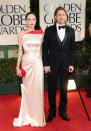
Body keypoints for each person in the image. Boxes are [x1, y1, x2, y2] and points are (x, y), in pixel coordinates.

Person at [42, 7, 75, 122]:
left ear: (66, 16)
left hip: (66, 64)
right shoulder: (48, 30)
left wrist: (71, 63)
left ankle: (62, 111)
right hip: (51, 64)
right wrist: (45, 64)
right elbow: (45, 48)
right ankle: (51, 112)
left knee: (64, 89)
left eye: (63, 15)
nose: (61, 17)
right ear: (55, 17)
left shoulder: (71, 31)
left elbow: (72, 49)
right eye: (59, 15)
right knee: (51, 88)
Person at [13, 12, 46, 127]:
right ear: (26, 21)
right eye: (29, 19)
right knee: (27, 90)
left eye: (33, 19)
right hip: (26, 64)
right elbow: (20, 52)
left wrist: (42, 63)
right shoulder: (21, 34)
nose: (31, 22)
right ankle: (26, 115)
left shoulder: (40, 34)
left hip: (37, 63)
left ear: (36, 21)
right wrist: (18, 66)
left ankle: (37, 117)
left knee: (38, 89)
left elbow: (41, 51)